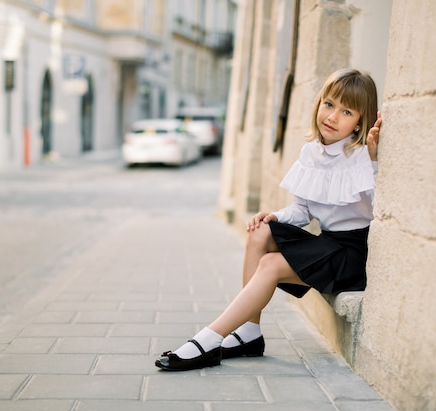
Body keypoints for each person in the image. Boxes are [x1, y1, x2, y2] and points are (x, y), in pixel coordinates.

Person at [155, 68, 382, 371]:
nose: (332, 116)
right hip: (327, 243)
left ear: (360, 119)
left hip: (351, 253)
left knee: (270, 264)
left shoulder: (361, 155)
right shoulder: (310, 152)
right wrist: (274, 216)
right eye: (329, 104)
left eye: (347, 111)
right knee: (260, 231)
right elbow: (302, 212)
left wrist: (375, 162)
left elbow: (381, 208)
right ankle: (250, 331)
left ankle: (209, 339)